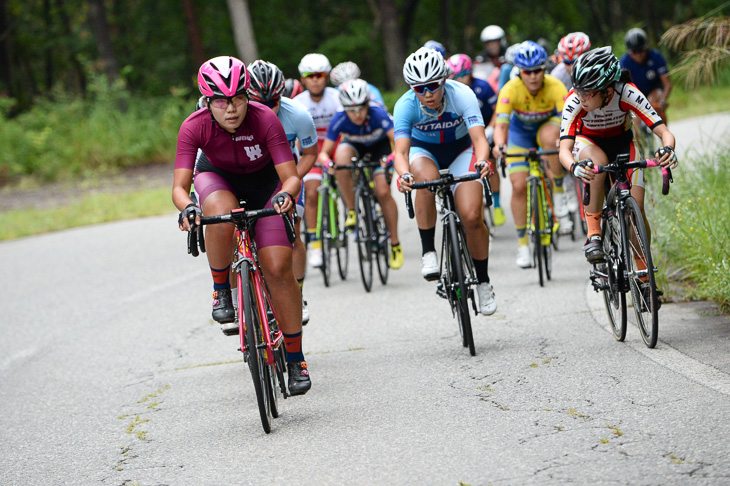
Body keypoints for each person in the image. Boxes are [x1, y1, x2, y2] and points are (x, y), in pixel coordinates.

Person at [173, 56, 311, 395]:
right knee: (220, 213)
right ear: (208, 102)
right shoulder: (194, 125)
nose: (231, 108)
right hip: (217, 179)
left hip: (267, 185)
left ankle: (296, 359)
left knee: (278, 268)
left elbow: (290, 177)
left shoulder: (265, 118)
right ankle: (222, 291)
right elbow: (179, 186)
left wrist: (287, 196)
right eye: (221, 101)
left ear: (247, 96)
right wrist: (189, 207)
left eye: (237, 98)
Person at [393, 47, 497, 316]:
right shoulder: (406, 105)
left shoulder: (462, 95)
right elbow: (401, 153)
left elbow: (480, 141)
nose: (427, 94)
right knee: (425, 181)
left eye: (432, 86)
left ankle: (484, 281)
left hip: (461, 149)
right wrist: (404, 174)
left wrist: (483, 161)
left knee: (473, 215)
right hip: (424, 151)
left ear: (444, 81)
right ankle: (429, 251)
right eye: (419, 88)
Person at [559, 47, 678, 274]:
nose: (581, 97)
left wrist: (668, 149)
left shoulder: (627, 92)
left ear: (608, 90)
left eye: (588, 92)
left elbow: (664, 131)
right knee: (596, 161)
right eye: (578, 91)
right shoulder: (574, 101)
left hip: (622, 143)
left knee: (636, 209)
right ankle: (593, 234)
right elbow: (564, 149)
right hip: (587, 144)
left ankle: (644, 270)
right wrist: (574, 166)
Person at [247, 60, 318, 325]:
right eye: (260, 104)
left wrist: (291, 181)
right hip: (249, 179)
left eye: (273, 103)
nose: (268, 109)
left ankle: (297, 293)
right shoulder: (236, 117)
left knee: (292, 232)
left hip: (285, 179)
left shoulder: (298, 115)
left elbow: (310, 153)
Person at [492, 41, 571, 269]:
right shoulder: (510, 89)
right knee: (518, 186)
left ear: (544, 70)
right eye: (528, 72)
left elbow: (568, 121)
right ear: (520, 72)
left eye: (538, 70)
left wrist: (565, 143)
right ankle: (523, 246)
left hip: (548, 127)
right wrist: (500, 146)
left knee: (551, 137)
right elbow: (501, 126)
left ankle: (558, 195)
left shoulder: (556, 87)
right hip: (520, 135)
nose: (534, 77)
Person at [318, 78, 403, 269]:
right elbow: (324, 152)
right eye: (351, 109)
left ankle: (395, 243)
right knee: (340, 157)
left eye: (361, 108)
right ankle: (351, 210)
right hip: (355, 147)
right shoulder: (339, 118)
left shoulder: (378, 113)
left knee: (382, 192)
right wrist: (328, 163)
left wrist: (391, 158)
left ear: (367, 104)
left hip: (379, 149)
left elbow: (399, 143)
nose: (357, 114)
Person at [293, 53, 343, 269]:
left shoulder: (337, 97)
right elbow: (294, 137)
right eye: (309, 75)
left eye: (319, 75)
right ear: (303, 79)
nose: (315, 79)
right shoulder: (297, 102)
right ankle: (315, 246)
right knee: (311, 193)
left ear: (327, 77)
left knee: (342, 180)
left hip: (335, 149)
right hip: (311, 152)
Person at [446, 53, 505, 226]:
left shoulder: (483, 86)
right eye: (455, 76)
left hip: (485, 125)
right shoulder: (452, 92)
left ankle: (498, 203)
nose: (460, 79)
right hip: (465, 130)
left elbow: (497, 109)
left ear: (470, 73)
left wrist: (492, 128)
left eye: (462, 75)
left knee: (490, 161)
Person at [620, 28, 672, 123]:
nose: (638, 55)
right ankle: (640, 135)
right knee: (636, 121)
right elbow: (622, 88)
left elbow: (667, 84)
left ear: (646, 48)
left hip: (654, 90)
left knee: (654, 102)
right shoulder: (624, 62)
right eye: (634, 52)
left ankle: (663, 134)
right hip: (636, 93)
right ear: (629, 52)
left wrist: (663, 100)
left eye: (641, 51)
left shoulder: (656, 57)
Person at [473, 24, 507, 92]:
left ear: (501, 42)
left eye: (495, 43)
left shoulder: (508, 57)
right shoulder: (481, 60)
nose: (492, 46)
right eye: (489, 43)